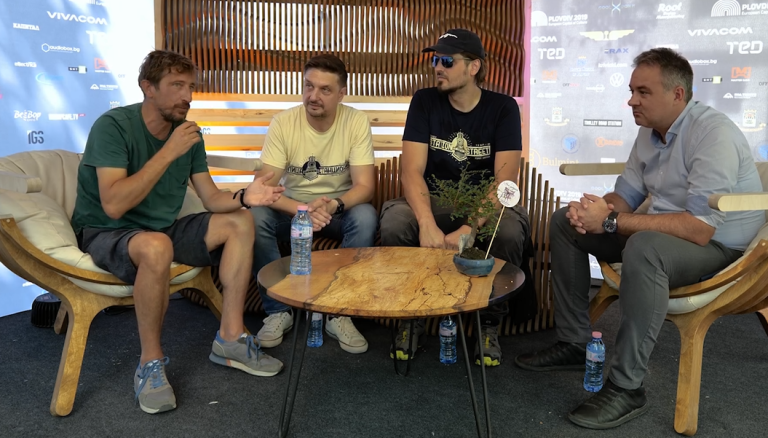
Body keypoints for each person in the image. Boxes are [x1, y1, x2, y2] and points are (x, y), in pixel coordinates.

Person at [515, 48, 765, 429]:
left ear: (677, 94)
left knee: (644, 248)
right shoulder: (649, 133)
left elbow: (699, 228)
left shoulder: (713, 134)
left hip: (720, 247)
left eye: (643, 92)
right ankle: (574, 343)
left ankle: (627, 387)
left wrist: (612, 222)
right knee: (565, 222)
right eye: (632, 91)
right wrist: (595, 212)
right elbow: (625, 197)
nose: (631, 100)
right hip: (665, 232)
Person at [70, 50, 286, 414]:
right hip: (108, 230)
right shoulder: (113, 126)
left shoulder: (189, 134)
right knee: (156, 246)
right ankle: (150, 363)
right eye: (176, 85)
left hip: (162, 228)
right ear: (148, 88)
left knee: (240, 221)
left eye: (190, 87)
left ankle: (231, 337)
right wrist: (168, 152)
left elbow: (211, 198)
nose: (187, 96)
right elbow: (114, 204)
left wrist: (244, 197)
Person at [379, 29, 535, 366]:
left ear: (474, 66)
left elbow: (505, 181)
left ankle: (488, 323)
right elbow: (411, 172)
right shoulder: (424, 101)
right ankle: (410, 316)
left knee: (509, 230)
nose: (438, 66)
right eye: (435, 60)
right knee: (394, 221)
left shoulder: (503, 108)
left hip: (484, 203)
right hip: (435, 200)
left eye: (447, 60)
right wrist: (425, 223)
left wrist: (470, 227)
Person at [251, 54, 378, 354]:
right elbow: (262, 188)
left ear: (341, 93)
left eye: (325, 89)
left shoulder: (355, 121)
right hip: (292, 211)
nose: (313, 96)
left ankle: (339, 311)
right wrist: (302, 210)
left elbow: (365, 187)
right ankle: (277, 311)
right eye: (309, 86)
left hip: (335, 211)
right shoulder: (284, 123)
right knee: (255, 216)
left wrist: (334, 205)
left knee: (366, 216)